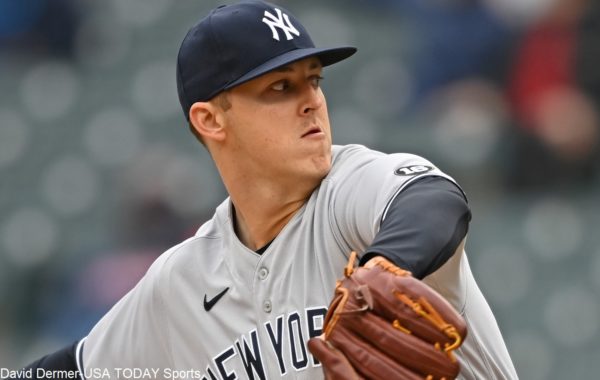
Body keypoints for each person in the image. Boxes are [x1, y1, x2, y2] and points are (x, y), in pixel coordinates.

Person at [13, 1, 518, 378]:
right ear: (210, 119)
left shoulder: (348, 191)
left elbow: (434, 200)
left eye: (313, 81)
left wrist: (383, 264)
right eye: (280, 87)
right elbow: (74, 368)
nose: (311, 102)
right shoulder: (182, 282)